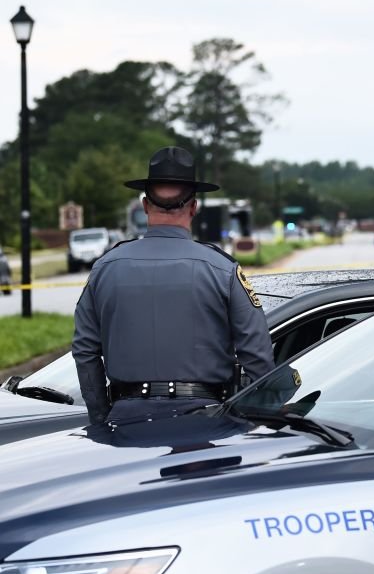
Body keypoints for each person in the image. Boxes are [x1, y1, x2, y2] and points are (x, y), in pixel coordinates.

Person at [72, 146, 275, 425]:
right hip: (206, 430)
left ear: (145, 206)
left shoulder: (105, 268)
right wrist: (254, 422)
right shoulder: (223, 269)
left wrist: (100, 416)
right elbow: (258, 358)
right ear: (194, 207)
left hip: (124, 424)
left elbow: (85, 350)